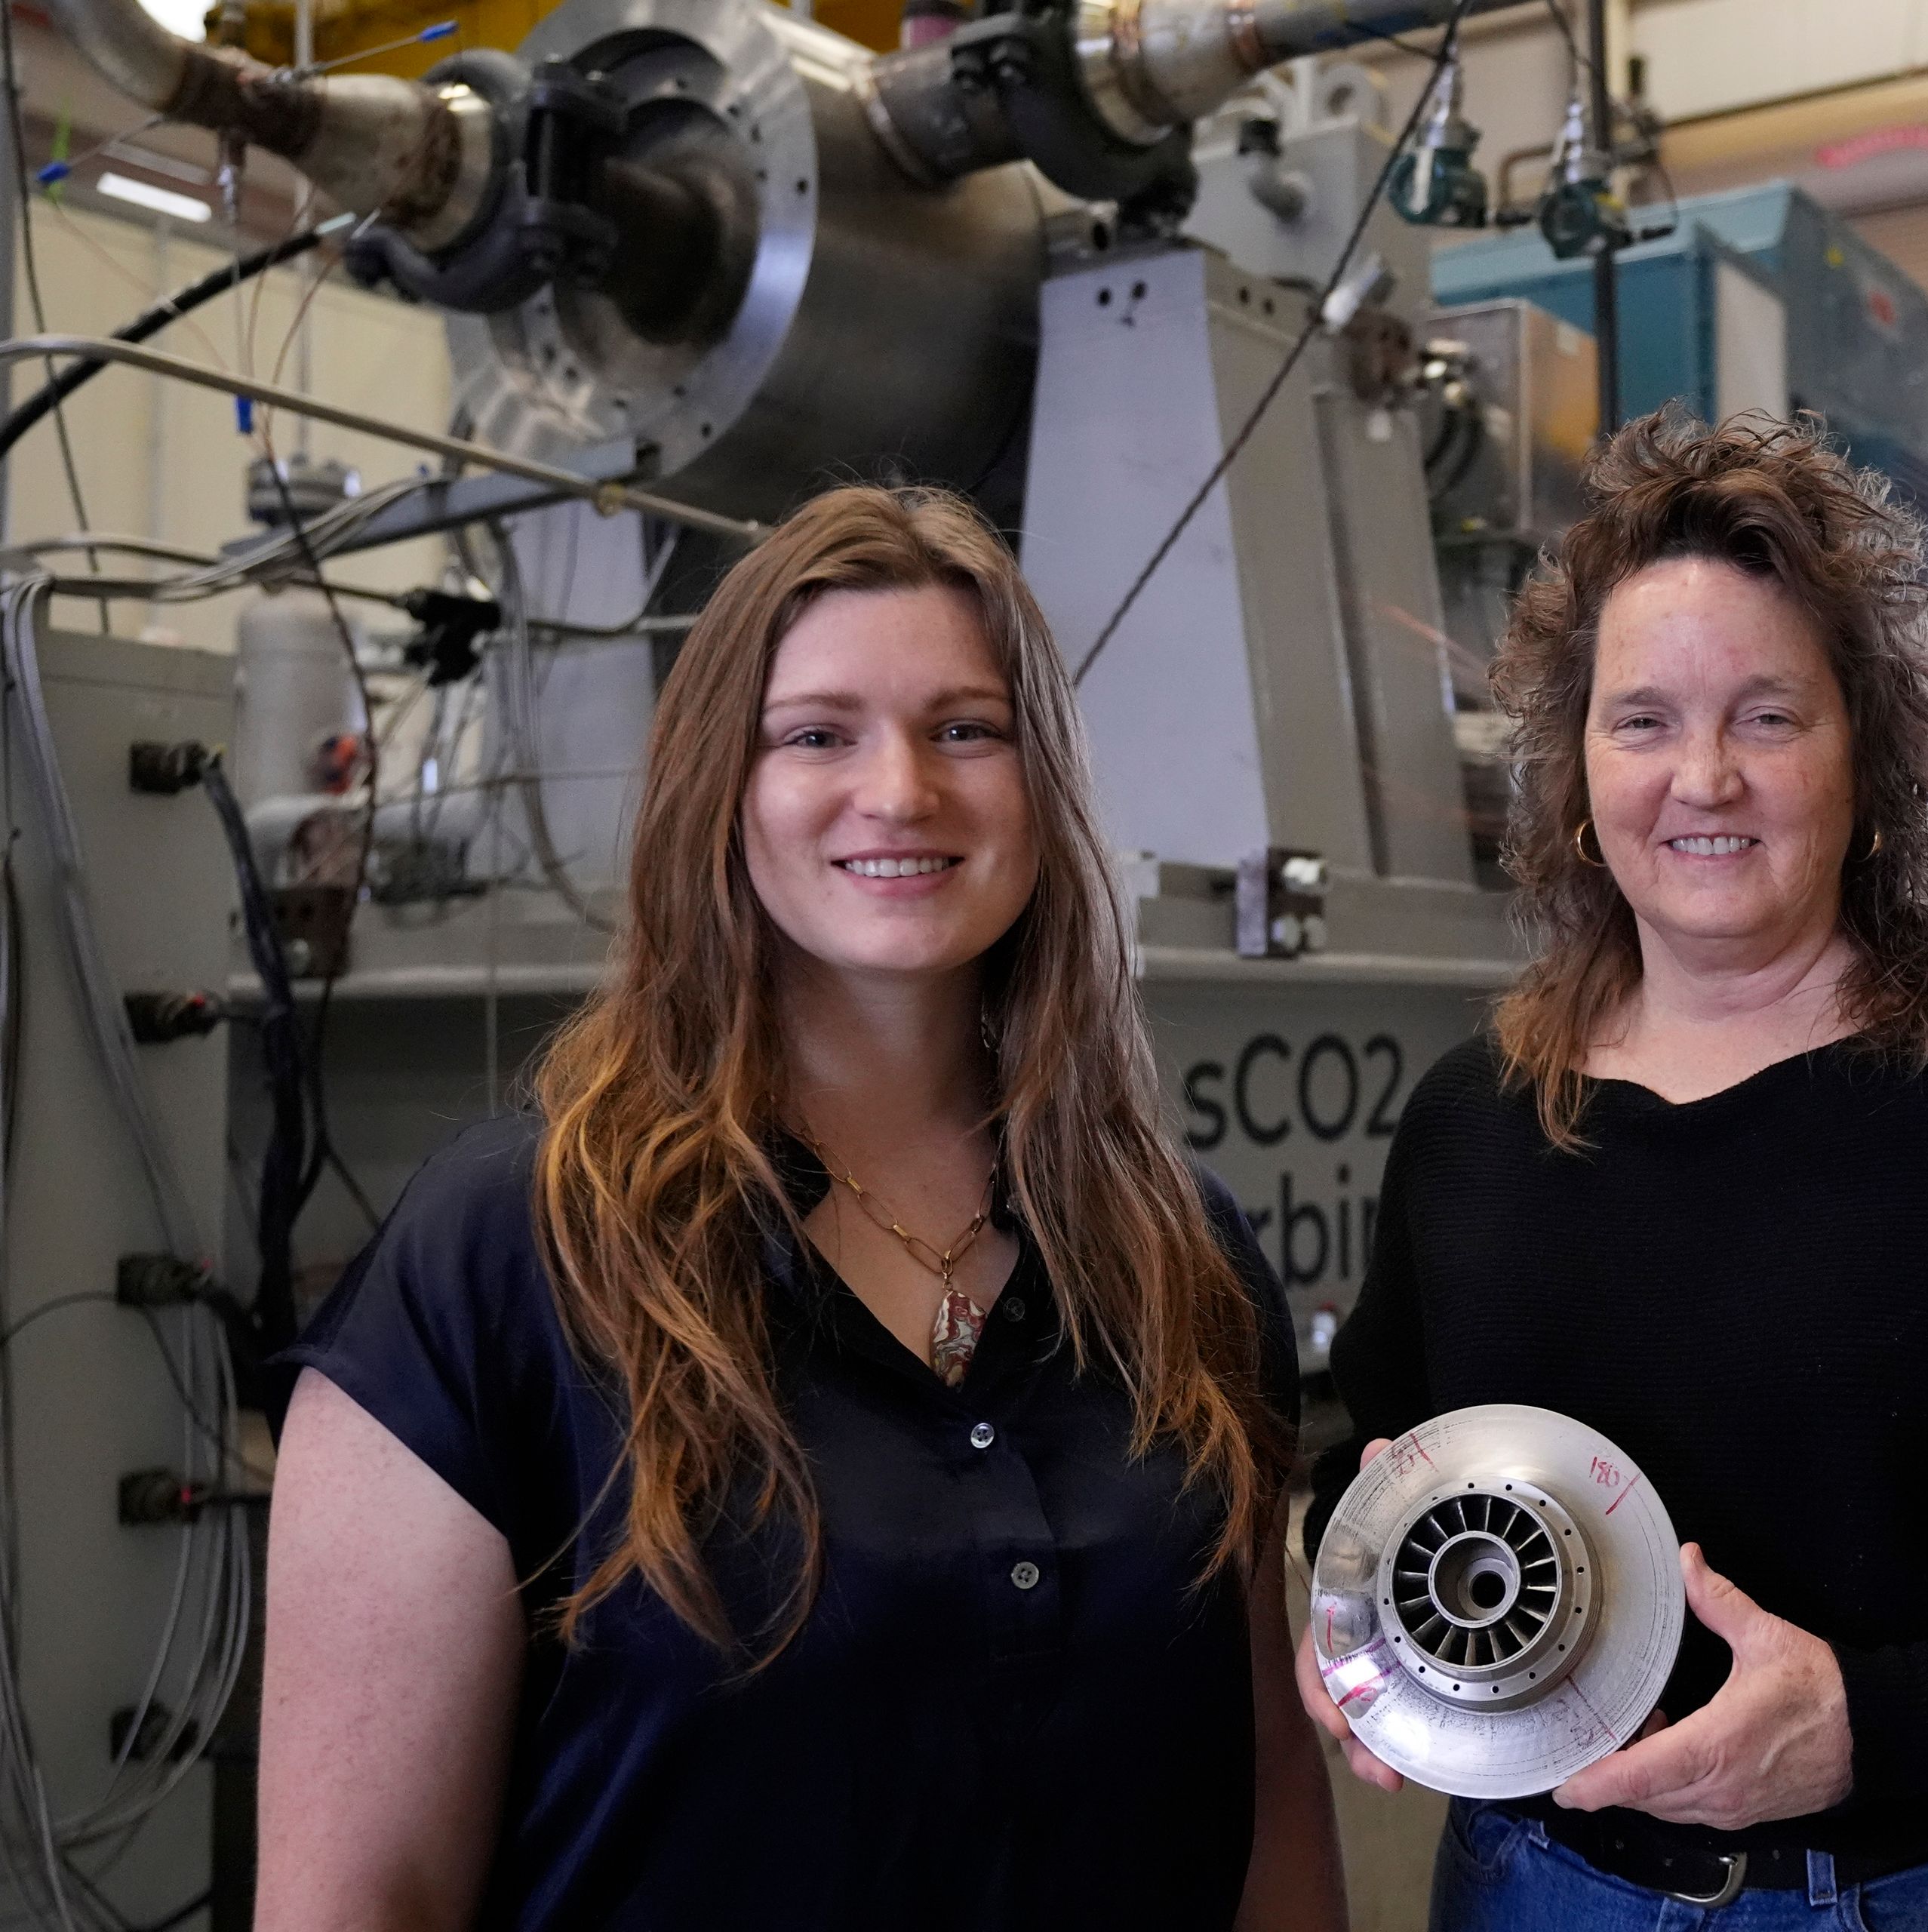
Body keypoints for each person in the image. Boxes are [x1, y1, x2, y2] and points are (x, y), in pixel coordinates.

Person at [1299, 411, 1928, 1930]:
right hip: (1532, 1890)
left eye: (1769, 717)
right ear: (1576, 765)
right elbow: (1382, 1472)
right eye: (1642, 719)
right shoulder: (1477, 1120)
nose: (1702, 776)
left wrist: (1874, 1714)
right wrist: (1371, 1636)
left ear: (1872, 748)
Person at [259, 485, 1344, 1930]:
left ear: (1045, 787)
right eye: (818, 734)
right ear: (725, 785)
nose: (900, 790)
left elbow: (1267, 1794)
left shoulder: (1178, 1254)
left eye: (967, 728)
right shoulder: (513, 1251)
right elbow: (359, 1897)